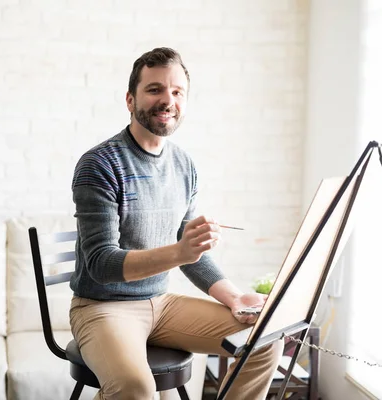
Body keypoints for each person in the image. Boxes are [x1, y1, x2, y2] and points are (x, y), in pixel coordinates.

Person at [69, 47, 283, 400]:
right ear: (130, 99)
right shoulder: (100, 164)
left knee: (263, 340)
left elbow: (190, 252)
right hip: (102, 307)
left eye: (177, 91)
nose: (167, 100)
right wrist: (181, 251)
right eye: (154, 89)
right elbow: (102, 264)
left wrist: (233, 296)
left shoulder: (184, 165)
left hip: (161, 303)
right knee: (136, 389)